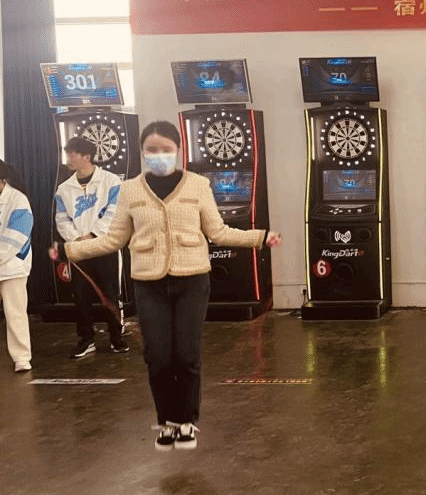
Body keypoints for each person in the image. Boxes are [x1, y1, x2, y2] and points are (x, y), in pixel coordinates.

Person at [51, 121, 282, 451]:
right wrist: (68, 250)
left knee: (186, 354)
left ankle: (186, 421)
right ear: (143, 152)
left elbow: (218, 231)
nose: (159, 155)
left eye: (165, 149)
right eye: (152, 150)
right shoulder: (130, 190)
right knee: (157, 356)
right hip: (149, 284)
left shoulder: (198, 185)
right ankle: (167, 421)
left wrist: (260, 237)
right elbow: (114, 239)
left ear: (178, 150)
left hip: (192, 281)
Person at [55, 136, 127, 358]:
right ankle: (86, 340)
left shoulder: (111, 181)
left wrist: (93, 235)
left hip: (105, 247)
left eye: (72, 154)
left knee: (110, 295)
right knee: (81, 297)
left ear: (86, 156)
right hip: (78, 250)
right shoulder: (64, 189)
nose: (68, 159)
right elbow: (61, 219)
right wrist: (77, 238)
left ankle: (116, 338)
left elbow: (115, 212)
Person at [0, 160, 33, 373]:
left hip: (12, 266)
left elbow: (15, 239)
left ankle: (21, 357)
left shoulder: (18, 200)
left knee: (15, 313)